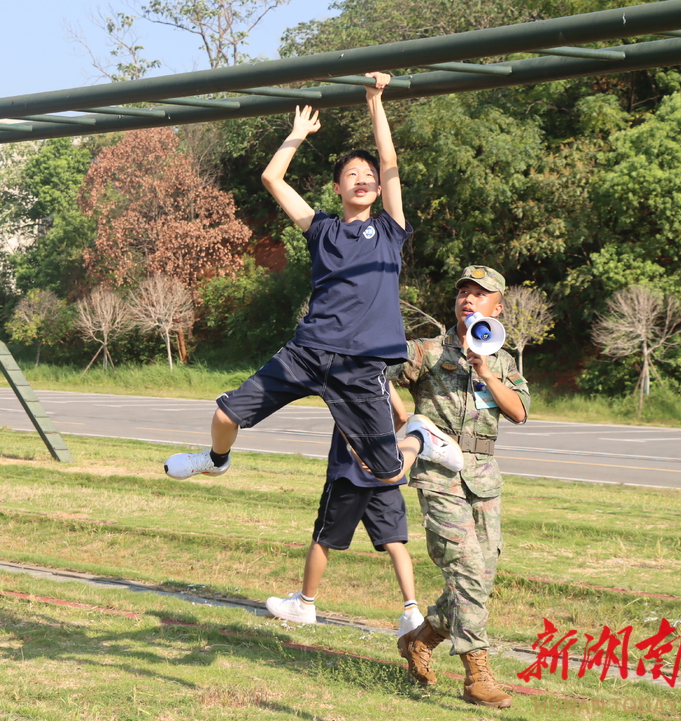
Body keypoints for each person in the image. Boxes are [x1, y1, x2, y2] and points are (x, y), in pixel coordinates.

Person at [165, 73, 464, 485]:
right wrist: (297, 134)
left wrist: (374, 99)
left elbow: (390, 161)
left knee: (388, 475)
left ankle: (418, 435)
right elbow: (272, 179)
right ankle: (216, 460)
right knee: (224, 414)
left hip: (360, 365)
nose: (363, 179)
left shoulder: (390, 231)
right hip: (307, 353)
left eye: (369, 175)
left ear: (378, 187)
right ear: (337, 186)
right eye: (352, 174)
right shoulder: (320, 229)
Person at [393, 266, 529, 710]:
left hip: (484, 479)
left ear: (497, 306)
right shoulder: (429, 351)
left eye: (479, 294)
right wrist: (403, 422)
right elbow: (377, 368)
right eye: (463, 294)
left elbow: (519, 412)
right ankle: (477, 675)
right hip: (439, 474)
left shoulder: (504, 359)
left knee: (479, 579)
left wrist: (486, 371)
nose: (468, 300)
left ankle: (421, 638)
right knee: (466, 569)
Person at [266, 382, 426, 637]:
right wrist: (379, 450)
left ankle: (305, 604)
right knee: (395, 542)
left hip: (348, 474)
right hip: (384, 471)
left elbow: (343, 419)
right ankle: (412, 612)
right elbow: (402, 416)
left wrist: (359, 449)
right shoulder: (381, 375)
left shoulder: (343, 377)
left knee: (323, 538)